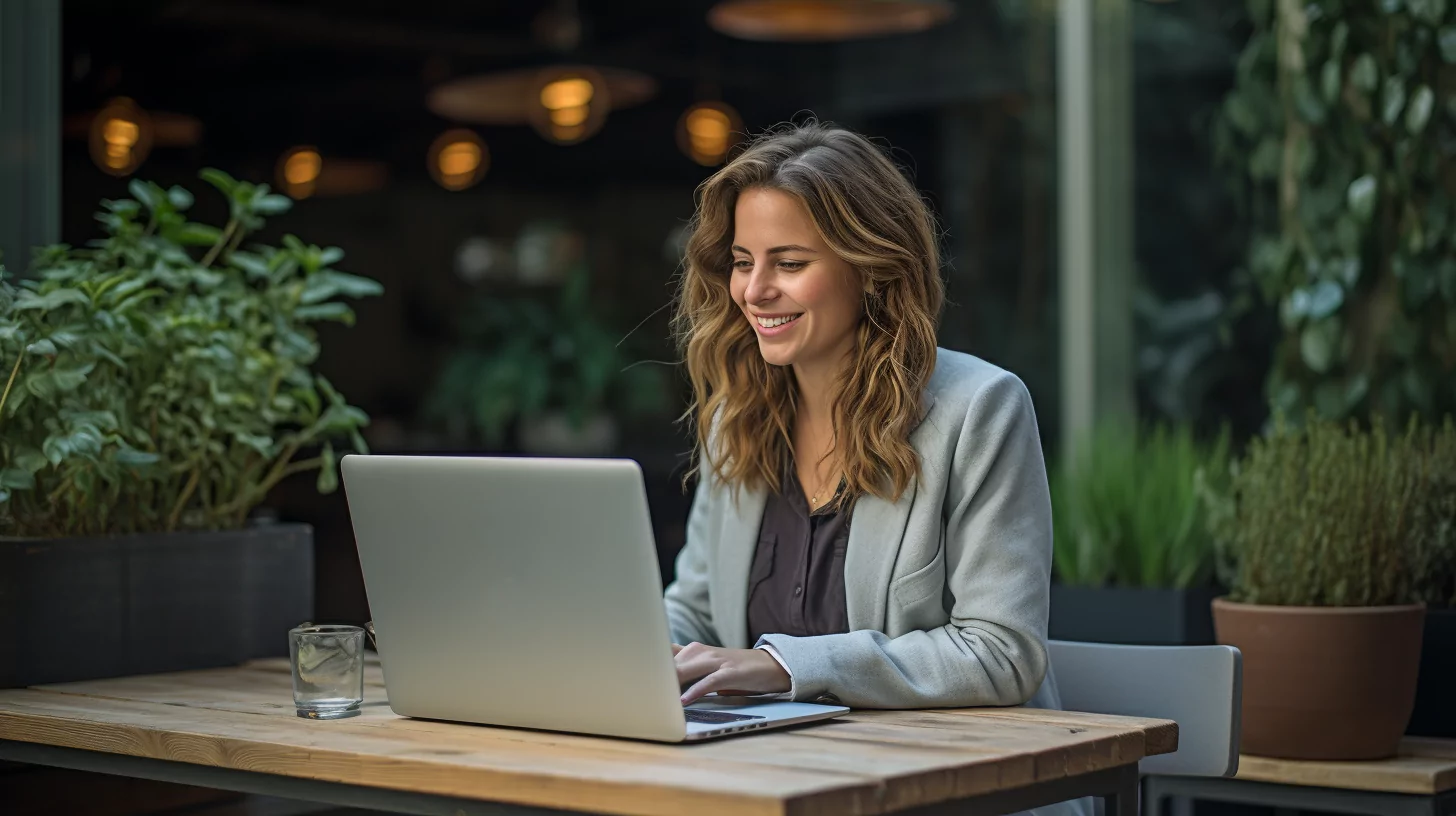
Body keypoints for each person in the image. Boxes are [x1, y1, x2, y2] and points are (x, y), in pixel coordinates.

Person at [664, 122, 1087, 816]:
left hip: (959, 795)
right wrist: (613, 653)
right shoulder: (733, 422)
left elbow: (1001, 652)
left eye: (789, 263)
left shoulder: (980, 411)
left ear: (871, 267)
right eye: (743, 261)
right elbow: (696, 610)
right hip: (784, 786)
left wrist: (784, 666)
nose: (755, 291)